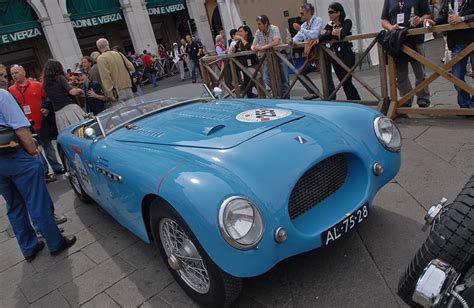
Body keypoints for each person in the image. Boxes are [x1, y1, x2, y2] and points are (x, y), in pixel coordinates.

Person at [0, 89, 76, 262]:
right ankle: (55, 242)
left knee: (14, 205)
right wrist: (33, 152)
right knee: (37, 201)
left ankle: (29, 247)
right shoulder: (2, 95)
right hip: (16, 156)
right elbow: (21, 128)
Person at [8, 65, 65, 175]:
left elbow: (47, 98)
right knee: (34, 149)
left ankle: (56, 167)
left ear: (23, 72)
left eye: (16, 72)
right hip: (25, 126)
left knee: (47, 146)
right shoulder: (10, 91)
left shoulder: (37, 85)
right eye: (12, 74)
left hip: (40, 121)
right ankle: (43, 171)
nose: (14, 75)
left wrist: (46, 107)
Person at [381, 0, 432, 107]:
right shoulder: (389, 1)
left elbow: (428, 14)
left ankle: (423, 99)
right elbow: (384, 20)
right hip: (398, 41)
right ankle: (406, 100)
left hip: (415, 38)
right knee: (400, 75)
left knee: (420, 72)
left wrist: (420, 20)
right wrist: (391, 27)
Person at [432, 0, 474, 108]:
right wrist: (434, 22)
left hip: (472, 40)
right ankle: (466, 106)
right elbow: (442, 16)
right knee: (457, 76)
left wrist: (462, 19)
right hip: (457, 42)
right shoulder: (449, 1)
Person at [290, 3, 336, 100]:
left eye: (302, 13)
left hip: (323, 53)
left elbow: (314, 35)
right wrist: (291, 41)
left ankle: (331, 99)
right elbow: (297, 37)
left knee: (327, 78)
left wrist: (300, 30)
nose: (300, 15)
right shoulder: (304, 25)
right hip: (312, 55)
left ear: (309, 12)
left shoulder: (318, 20)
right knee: (300, 73)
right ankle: (314, 92)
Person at [319, 2, 361, 101]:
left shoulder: (347, 22)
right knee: (343, 82)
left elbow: (342, 34)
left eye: (331, 12)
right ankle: (353, 101)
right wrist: (332, 33)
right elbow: (321, 37)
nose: (329, 14)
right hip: (334, 55)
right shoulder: (330, 25)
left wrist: (329, 34)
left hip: (347, 54)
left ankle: (356, 101)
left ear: (338, 13)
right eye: (328, 12)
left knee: (347, 81)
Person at [42, 59, 85, 133]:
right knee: (81, 131)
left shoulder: (45, 83)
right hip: (70, 109)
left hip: (58, 113)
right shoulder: (60, 78)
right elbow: (73, 92)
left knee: (68, 134)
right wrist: (80, 90)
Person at [251, 14, 289, 97]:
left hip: (280, 54)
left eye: (259, 24)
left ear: (266, 23)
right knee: (266, 78)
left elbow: (276, 41)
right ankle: (278, 92)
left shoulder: (274, 28)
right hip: (267, 57)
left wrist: (262, 47)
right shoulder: (258, 32)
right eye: (257, 24)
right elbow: (253, 45)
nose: (258, 26)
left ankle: (286, 97)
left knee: (284, 78)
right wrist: (255, 48)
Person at [96, 38, 135, 103]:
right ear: (108, 44)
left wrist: (110, 94)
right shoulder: (118, 54)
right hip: (128, 86)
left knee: (123, 111)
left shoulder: (101, 58)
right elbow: (131, 67)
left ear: (98, 48)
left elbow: (105, 77)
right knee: (134, 108)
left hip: (117, 90)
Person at [233, 25, 260, 98]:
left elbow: (249, 47)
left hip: (254, 63)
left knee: (255, 79)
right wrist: (236, 43)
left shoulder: (252, 39)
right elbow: (233, 51)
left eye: (241, 31)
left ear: (247, 32)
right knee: (247, 81)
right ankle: (250, 95)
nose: (239, 33)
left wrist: (241, 38)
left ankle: (263, 93)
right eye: (238, 32)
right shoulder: (240, 42)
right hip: (245, 64)